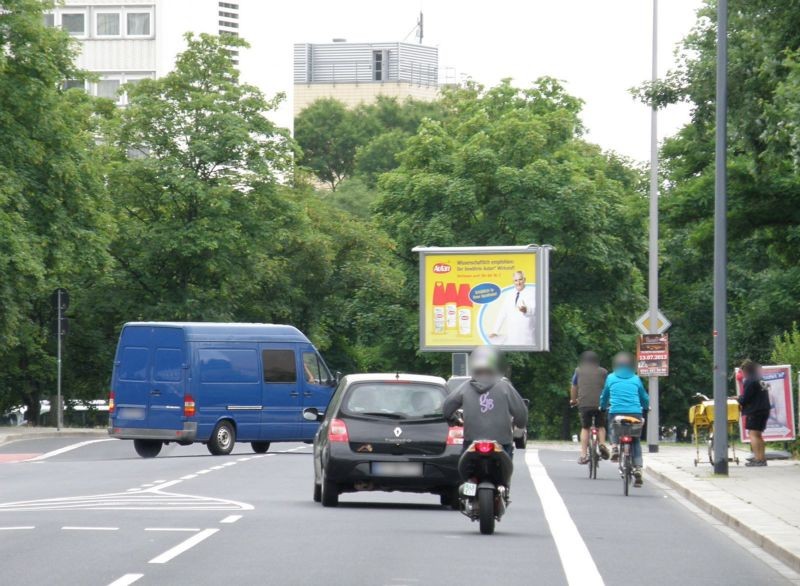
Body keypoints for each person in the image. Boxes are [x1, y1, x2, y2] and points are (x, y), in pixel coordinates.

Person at [443, 346, 529, 462]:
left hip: (472, 442)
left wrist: (454, 419)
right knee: (505, 473)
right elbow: (521, 413)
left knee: (465, 470)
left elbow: (447, 408)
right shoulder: (505, 387)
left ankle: (469, 480)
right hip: (501, 442)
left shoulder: (465, 387)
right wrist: (519, 423)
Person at [599, 352, 649, 487]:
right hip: (635, 413)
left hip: (616, 412)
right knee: (636, 440)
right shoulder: (636, 379)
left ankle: (614, 447)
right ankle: (638, 468)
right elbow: (644, 396)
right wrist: (646, 406)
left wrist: (602, 406)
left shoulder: (610, 378)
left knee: (612, 426)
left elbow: (605, 396)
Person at [570, 351, 610, 464]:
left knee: (585, 428)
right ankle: (602, 444)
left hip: (584, 404)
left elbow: (574, 386)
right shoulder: (604, 372)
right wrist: (607, 401)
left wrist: (573, 400)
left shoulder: (578, 370)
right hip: (600, 404)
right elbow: (607, 388)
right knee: (601, 426)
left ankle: (583, 455)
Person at [489, 270, 536, 346]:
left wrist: (526, 310)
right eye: (516, 280)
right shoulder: (509, 294)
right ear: (513, 282)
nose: (518, 282)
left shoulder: (533, 292)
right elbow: (502, 313)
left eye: (520, 279)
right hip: (513, 336)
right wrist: (495, 331)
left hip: (527, 337)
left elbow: (536, 310)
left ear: (524, 280)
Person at [738, 359, 770, 467]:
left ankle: (758, 459)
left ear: (746, 370)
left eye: (743, 371)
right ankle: (762, 458)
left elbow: (745, 399)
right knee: (758, 435)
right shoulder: (760, 379)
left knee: (753, 435)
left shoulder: (750, 380)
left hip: (754, 410)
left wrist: (738, 399)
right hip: (764, 409)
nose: (743, 374)